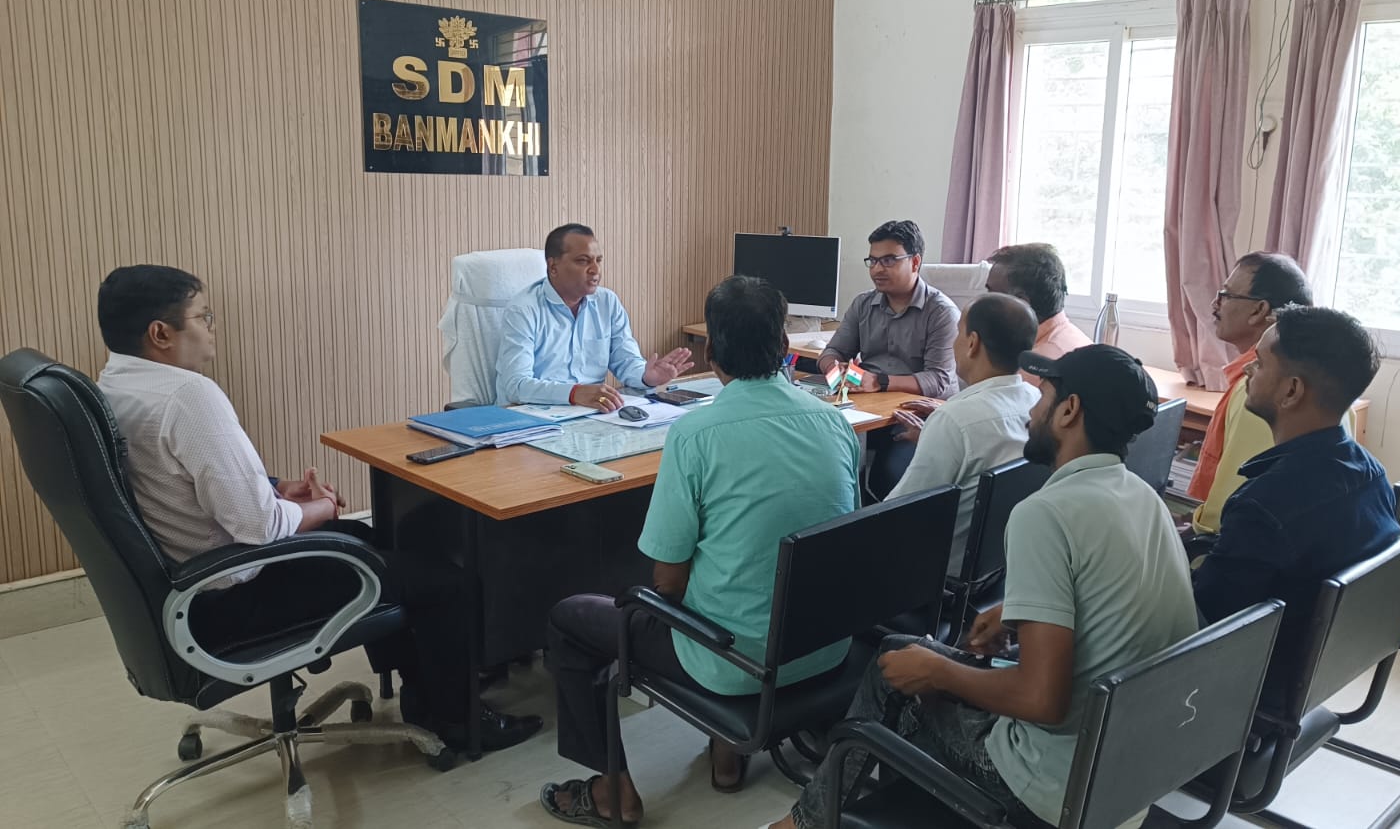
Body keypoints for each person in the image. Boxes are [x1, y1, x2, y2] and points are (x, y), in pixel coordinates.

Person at [94, 265, 540, 752]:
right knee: (444, 581)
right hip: (234, 593)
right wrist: (321, 508)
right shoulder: (187, 394)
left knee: (375, 542)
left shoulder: (115, 383)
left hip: (185, 587)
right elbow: (260, 527)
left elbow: (174, 477)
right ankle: (459, 722)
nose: (212, 328)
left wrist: (275, 488)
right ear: (161, 334)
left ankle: (423, 690)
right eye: (204, 317)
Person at [767, 344, 1198, 829]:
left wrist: (939, 671)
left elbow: (1042, 700)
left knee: (895, 671)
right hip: (1126, 780)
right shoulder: (1143, 497)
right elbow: (1112, 604)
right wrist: (1016, 613)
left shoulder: (1045, 514)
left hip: (1052, 792)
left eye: (1043, 396)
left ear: (1069, 410)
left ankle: (804, 823)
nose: (1032, 412)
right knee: (906, 654)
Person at [540, 276, 861, 828]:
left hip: (737, 663)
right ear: (785, 346)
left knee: (570, 619)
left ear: (711, 351)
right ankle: (726, 754)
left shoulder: (695, 434)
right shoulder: (835, 423)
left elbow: (667, 582)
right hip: (825, 648)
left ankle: (612, 792)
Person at [1191, 305, 1400, 713]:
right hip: (1313, 673)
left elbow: (1202, 625)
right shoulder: (1371, 473)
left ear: (1291, 391)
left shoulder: (1264, 507)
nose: (1247, 369)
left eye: (1259, 361)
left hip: (1243, 694)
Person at [886, 293, 1040, 575]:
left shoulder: (954, 420)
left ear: (972, 343)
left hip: (938, 578)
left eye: (958, 332)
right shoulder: (1037, 402)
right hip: (1004, 570)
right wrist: (934, 438)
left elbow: (895, 516)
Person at [819, 220, 959, 498]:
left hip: (914, 416)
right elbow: (830, 354)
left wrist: (879, 382)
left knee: (891, 475)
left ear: (915, 262)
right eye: (872, 261)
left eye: (888, 260)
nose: (877, 269)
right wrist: (838, 374)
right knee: (829, 459)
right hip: (865, 408)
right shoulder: (863, 304)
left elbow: (940, 380)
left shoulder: (941, 312)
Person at [495, 223, 694, 410]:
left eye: (598, 260)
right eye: (583, 261)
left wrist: (647, 377)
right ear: (553, 267)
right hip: (531, 415)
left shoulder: (607, 302)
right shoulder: (523, 310)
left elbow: (626, 360)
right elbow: (516, 385)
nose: (595, 270)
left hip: (590, 412)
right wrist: (574, 393)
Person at [1185, 252, 1314, 534]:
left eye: (1226, 295)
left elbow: (1226, 512)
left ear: (1259, 310)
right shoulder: (1318, 378)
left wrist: (1191, 535)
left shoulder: (1259, 390)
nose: (1215, 304)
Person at [986, 243, 1091, 379]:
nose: (984, 301)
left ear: (1022, 303)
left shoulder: (1032, 370)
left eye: (991, 294)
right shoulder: (1071, 336)